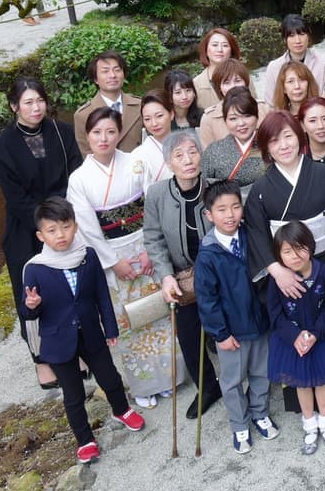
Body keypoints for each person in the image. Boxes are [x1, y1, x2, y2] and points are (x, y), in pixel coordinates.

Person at [243, 110, 325, 415]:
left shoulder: (324, 173)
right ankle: (302, 403)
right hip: (286, 273)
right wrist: (276, 270)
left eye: (288, 136)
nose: (283, 145)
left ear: (300, 136)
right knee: (292, 329)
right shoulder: (260, 190)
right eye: (274, 140)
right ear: (266, 148)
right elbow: (256, 233)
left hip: (324, 263)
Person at [67, 108, 178, 409]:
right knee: (128, 319)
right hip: (112, 253)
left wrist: (150, 248)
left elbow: (152, 204)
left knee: (159, 311)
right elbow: (87, 227)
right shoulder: (79, 179)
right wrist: (113, 261)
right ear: (87, 136)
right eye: (96, 132)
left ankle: (169, 377)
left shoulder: (135, 162)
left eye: (110, 131)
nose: (104, 138)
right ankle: (144, 384)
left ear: (119, 133)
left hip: (145, 243)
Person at [21, 197, 145, 464]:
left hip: (90, 333)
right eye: (52, 230)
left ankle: (121, 410)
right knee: (73, 394)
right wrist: (32, 305)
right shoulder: (35, 268)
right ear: (41, 236)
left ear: (75, 227)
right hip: (57, 341)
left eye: (65, 227)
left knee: (110, 377)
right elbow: (29, 314)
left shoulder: (87, 256)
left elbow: (102, 295)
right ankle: (85, 439)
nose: (60, 235)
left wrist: (110, 328)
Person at [0, 77, 81, 388]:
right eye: (28, 102)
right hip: (25, 226)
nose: (36, 108)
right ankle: (41, 358)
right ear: (14, 106)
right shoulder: (2, 146)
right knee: (30, 291)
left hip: (65, 218)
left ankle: (76, 347)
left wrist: (61, 221)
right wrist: (45, 226)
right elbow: (14, 196)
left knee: (71, 286)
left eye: (39, 100)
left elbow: (75, 175)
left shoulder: (62, 131)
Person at [142, 129, 224, 420]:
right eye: (179, 155)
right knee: (189, 336)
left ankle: (239, 382)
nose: (188, 160)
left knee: (229, 328)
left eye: (193, 152)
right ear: (168, 162)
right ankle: (208, 387)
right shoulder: (157, 194)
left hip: (219, 274)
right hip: (182, 277)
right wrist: (165, 275)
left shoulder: (216, 188)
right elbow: (153, 238)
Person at [194, 179, 278, 455]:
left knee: (261, 372)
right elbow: (207, 300)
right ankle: (239, 424)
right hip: (231, 332)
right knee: (231, 381)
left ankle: (260, 412)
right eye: (221, 210)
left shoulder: (251, 237)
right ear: (209, 214)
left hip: (259, 322)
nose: (230, 215)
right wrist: (221, 333)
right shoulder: (208, 254)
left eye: (235, 207)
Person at [267, 221, 325, 454]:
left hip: (322, 336)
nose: (295, 256)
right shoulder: (277, 280)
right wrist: (294, 336)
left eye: (300, 248)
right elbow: (274, 313)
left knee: (323, 381)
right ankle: (310, 425)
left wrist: (315, 333)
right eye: (287, 251)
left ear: (311, 246)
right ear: (278, 255)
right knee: (301, 384)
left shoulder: (323, 272)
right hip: (293, 341)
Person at [72, 51, 143, 152]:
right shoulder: (83, 115)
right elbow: (86, 153)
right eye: (105, 71)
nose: (112, 75)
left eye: (117, 70)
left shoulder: (140, 105)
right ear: (96, 79)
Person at [201, 88, 266, 192]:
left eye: (247, 116)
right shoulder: (213, 151)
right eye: (233, 118)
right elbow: (204, 187)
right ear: (225, 121)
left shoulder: (269, 146)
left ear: (257, 116)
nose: (241, 123)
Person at [261, 14, 325, 103]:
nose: (297, 41)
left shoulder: (322, 62)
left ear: (308, 36)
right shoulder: (274, 68)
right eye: (292, 36)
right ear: (284, 39)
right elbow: (270, 103)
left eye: (302, 34)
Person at [197, 60, 256, 149]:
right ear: (219, 88)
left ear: (246, 83)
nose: (233, 86)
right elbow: (209, 154)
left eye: (237, 81)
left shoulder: (263, 108)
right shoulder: (208, 119)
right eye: (226, 82)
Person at [193, 27, 242, 111]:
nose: (219, 50)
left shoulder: (242, 76)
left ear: (231, 51)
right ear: (206, 50)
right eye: (214, 45)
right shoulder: (196, 84)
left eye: (225, 45)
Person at [134, 91, 177, 185]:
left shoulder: (185, 145)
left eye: (159, 116)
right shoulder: (139, 154)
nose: (154, 123)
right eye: (147, 119)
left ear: (171, 114)